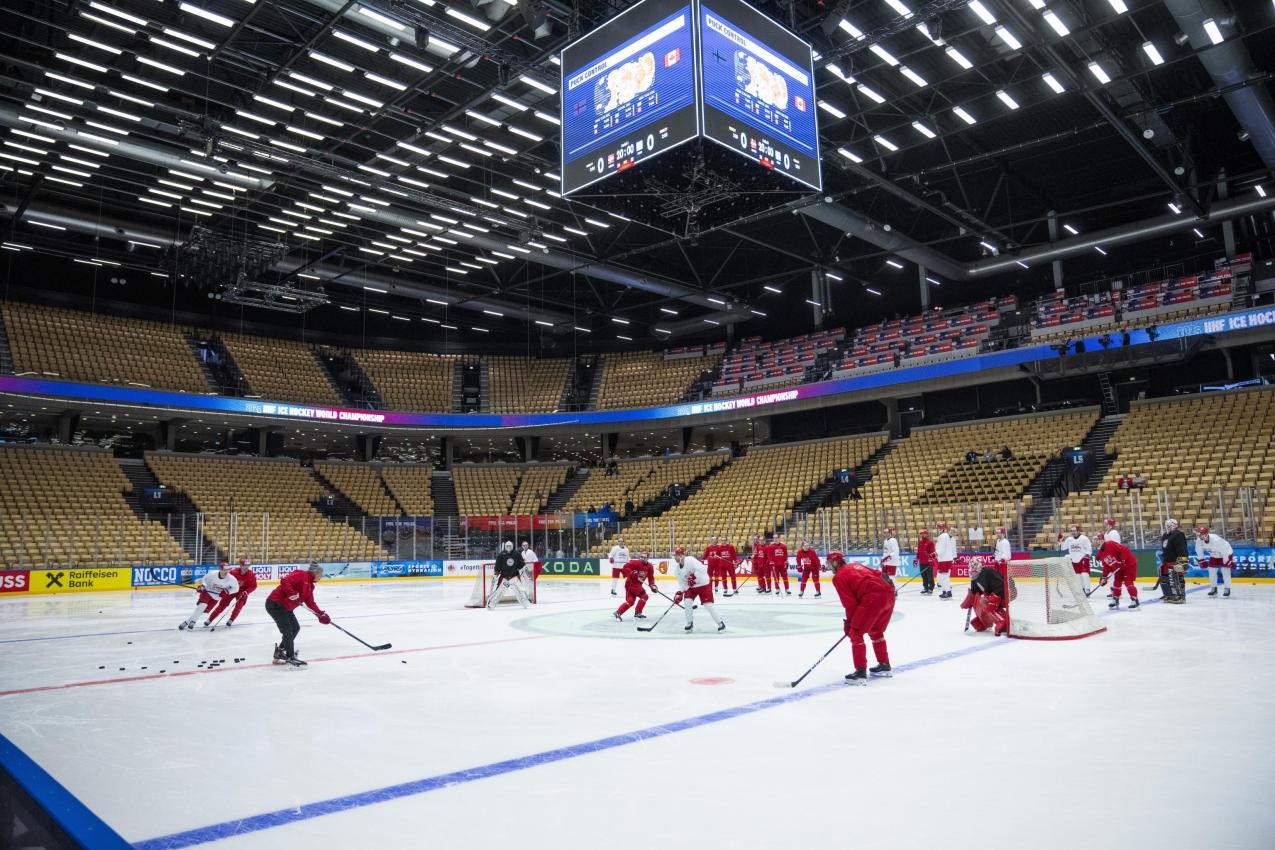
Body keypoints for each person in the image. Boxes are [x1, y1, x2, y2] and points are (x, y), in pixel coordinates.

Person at [828, 552, 895, 684]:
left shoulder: (838, 577)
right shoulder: (855, 565)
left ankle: (860, 673)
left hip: (873, 598)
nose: (828, 565)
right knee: (876, 631)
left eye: (830, 562)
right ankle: (884, 666)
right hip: (889, 594)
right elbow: (879, 574)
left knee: (856, 633)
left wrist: (850, 625)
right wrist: (889, 588)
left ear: (835, 562)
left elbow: (850, 604)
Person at [265, 562, 328, 667]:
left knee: (295, 628)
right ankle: (290, 656)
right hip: (275, 603)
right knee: (287, 630)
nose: (321, 577)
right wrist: (291, 592)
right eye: (321, 574)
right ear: (316, 573)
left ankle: (280, 651)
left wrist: (321, 614)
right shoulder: (301, 574)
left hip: (286, 607)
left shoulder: (310, 586)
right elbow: (284, 581)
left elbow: (310, 603)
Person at [671, 547, 725, 632]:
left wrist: (694, 577)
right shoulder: (677, 570)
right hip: (691, 587)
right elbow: (682, 584)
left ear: (682, 555)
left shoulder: (691, 560)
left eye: (676, 556)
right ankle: (689, 623)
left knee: (708, 605)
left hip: (703, 584)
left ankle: (720, 623)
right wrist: (679, 593)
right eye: (674, 556)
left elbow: (702, 569)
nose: (675, 558)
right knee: (687, 602)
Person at [180, 562, 239, 630]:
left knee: (202, 610)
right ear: (220, 569)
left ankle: (187, 622)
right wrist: (203, 586)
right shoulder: (212, 573)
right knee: (202, 605)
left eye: (228, 569)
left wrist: (227, 591)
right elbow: (204, 579)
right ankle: (193, 621)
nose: (226, 571)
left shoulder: (231, 579)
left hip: (216, 597)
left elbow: (236, 588)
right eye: (225, 569)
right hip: (207, 592)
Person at [961, 560, 1009, 635]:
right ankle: (985, 621)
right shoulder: (974, 578)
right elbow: (975, 593)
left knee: (986, 602)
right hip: (996, 595)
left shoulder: (988, 572)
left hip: (1007, 593)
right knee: (979, 601)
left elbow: (1002, 585)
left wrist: (994, 599)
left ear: (979, 568)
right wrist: (969, 599)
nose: (972, 571)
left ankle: (1002, 621)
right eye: (971, 568)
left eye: (974, 568)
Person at [613, 552, 657, 621]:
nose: (642, 559)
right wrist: (631, 572)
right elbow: (625, 567)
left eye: (644, 557)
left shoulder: (650, 567)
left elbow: (651, 578)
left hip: (635, 585)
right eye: (641, 557)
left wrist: (653, 585)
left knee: (630, 601)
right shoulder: (635, 563)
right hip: (631, 583)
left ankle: (618, 612)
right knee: (644, 596)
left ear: (648, 558)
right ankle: (638, 612)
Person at [1097, 539, 1140, 609]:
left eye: (1098, 539)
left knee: (1128, 582)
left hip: (1129, 564)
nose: (1096, 541)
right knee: (1117, 582)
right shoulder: (1101, 554)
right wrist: (1103, 578)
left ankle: (1134, 599)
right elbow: (1107, 567)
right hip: (1118, 567)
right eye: (1095, 540)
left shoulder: (1110, 544)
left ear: (1102, 540)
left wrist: (1123, 560)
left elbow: (1125, 550)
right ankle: (1115, 599)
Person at [1195, 525, 1235, 598]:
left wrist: (1227, 561)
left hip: (1226, 553)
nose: (1198, 535)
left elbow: (1224, 551)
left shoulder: (1216, 540)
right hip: (1214, 554)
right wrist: (1201, 560)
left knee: (1225, 571)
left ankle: (1227, 589)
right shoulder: (1199, 541)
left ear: (1206, 534)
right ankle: (1214, 589)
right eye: (1198, 534)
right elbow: (1198, 550)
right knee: (1211, 571)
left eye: (1200, 534)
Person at [217, 557, 258, 627]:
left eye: (248, 566)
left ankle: (231, 619)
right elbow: (226, 580)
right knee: (223, 604)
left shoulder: (251, 575)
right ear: (240, 565)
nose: (246, 567)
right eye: (244, 565)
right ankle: (210, 619)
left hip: (242, 592)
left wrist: (247, 591)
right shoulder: (233, 572)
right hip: (233, 590)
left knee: (239, 605)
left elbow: (253, 586)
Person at [489, 541, 528, 608]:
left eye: (510, 546)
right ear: (505, 546)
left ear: (512, 546)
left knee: (519, 591)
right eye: (507, 546)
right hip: (504, 577)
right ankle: (491, 604)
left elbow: (521, 565)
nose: (508, 547)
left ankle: (525, 603)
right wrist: (496, 574)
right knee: (499, 592)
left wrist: (524, 569)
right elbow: (498, 566)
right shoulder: (501, 555)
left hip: (514, 577)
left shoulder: (517, 554)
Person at [1160, 519, 1188, 604]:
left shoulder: (1179, 535)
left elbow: (1182, 550)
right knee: (1165, 578)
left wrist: (1182, 564)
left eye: (1169, 526)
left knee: (1177, 578)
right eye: (1167, 526)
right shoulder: (1165, 535)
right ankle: (1169, 594)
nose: (1167, 528)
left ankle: (1180, 596)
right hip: (1166, 561)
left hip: (1175, 561)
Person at [1062, 524, 1092, 593]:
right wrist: (1061, 541)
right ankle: (1082, 590)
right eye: (1072, 531)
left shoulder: (1084, 538)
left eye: (1075, 531)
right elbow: (1063, 548)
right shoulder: (1069, 539)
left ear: (1078, 531)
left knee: (1085, 575)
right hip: (1074, 560)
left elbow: (1089, 549)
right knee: (1077, 576)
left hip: (1083, 559)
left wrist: (1087, 555)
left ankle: (1087, 590)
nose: (1073, 532)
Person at [935, 522, 957, 599]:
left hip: (945, 559)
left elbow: (942, 548)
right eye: (939, 527)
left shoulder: (944, 536)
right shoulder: (943, 536)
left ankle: (948, 592)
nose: (939, 529)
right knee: (942, 576)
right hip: (943, 559)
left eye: (940, 527)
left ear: (944, 528)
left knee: (944, 576)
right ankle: (944, 591)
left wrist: (935, 553)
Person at [915, 529, 937, 595]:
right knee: (923, 575)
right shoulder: (920, 542)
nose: (922, 535)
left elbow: (933, 552)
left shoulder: (930, 542)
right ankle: (925, 587)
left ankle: (931, 588)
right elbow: (918, 552)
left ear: (926, 534)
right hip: (921, 562)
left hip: (928, 562)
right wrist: (916, 559)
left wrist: (931, 559)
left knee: (929, 575)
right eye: (921, 534)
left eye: (923, 533)